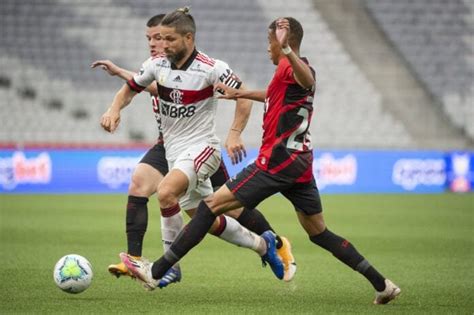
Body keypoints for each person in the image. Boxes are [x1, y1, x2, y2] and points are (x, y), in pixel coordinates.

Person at [121, 17, 402, 305]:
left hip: (275, 163)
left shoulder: (292, 66)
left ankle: (156, 272)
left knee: (209, 207)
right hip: (300, 164)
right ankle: (382, 284)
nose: (267, 49)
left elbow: (308, 80)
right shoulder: (284, 73)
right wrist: (241, 93)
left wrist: (288, 52)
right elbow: (276, 94)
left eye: (270, 43)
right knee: (319, 232)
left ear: (283, 44)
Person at [98, 9, 296, 288]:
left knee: (166, 192)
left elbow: (244, 97)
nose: (162, 45)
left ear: (188, 38)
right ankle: (266, 246)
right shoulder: (157, 65)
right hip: (173, 152)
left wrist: (235, 134)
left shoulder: (211, 68)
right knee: (209, 218)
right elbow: (132, 87)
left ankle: (168, 267)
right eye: (158, 39)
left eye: (169, 39)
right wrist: (114, 109)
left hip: (204, 149)